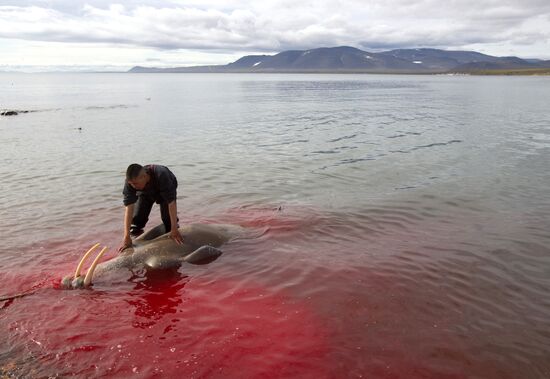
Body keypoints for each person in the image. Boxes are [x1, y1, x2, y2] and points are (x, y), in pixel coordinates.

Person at [118, 163, 184, 252]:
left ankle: (174, 239)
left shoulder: (162, 174)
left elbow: (171, 203)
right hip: (144, 193)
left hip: (163, 188)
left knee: (168, 221)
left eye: (135, 183)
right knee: (137, 220)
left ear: (144, 176)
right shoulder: (131, 183)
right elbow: (129, 207)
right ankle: (136, 246)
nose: (133, 186)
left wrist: (174, 229)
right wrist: (126, 236)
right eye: (131, 184)